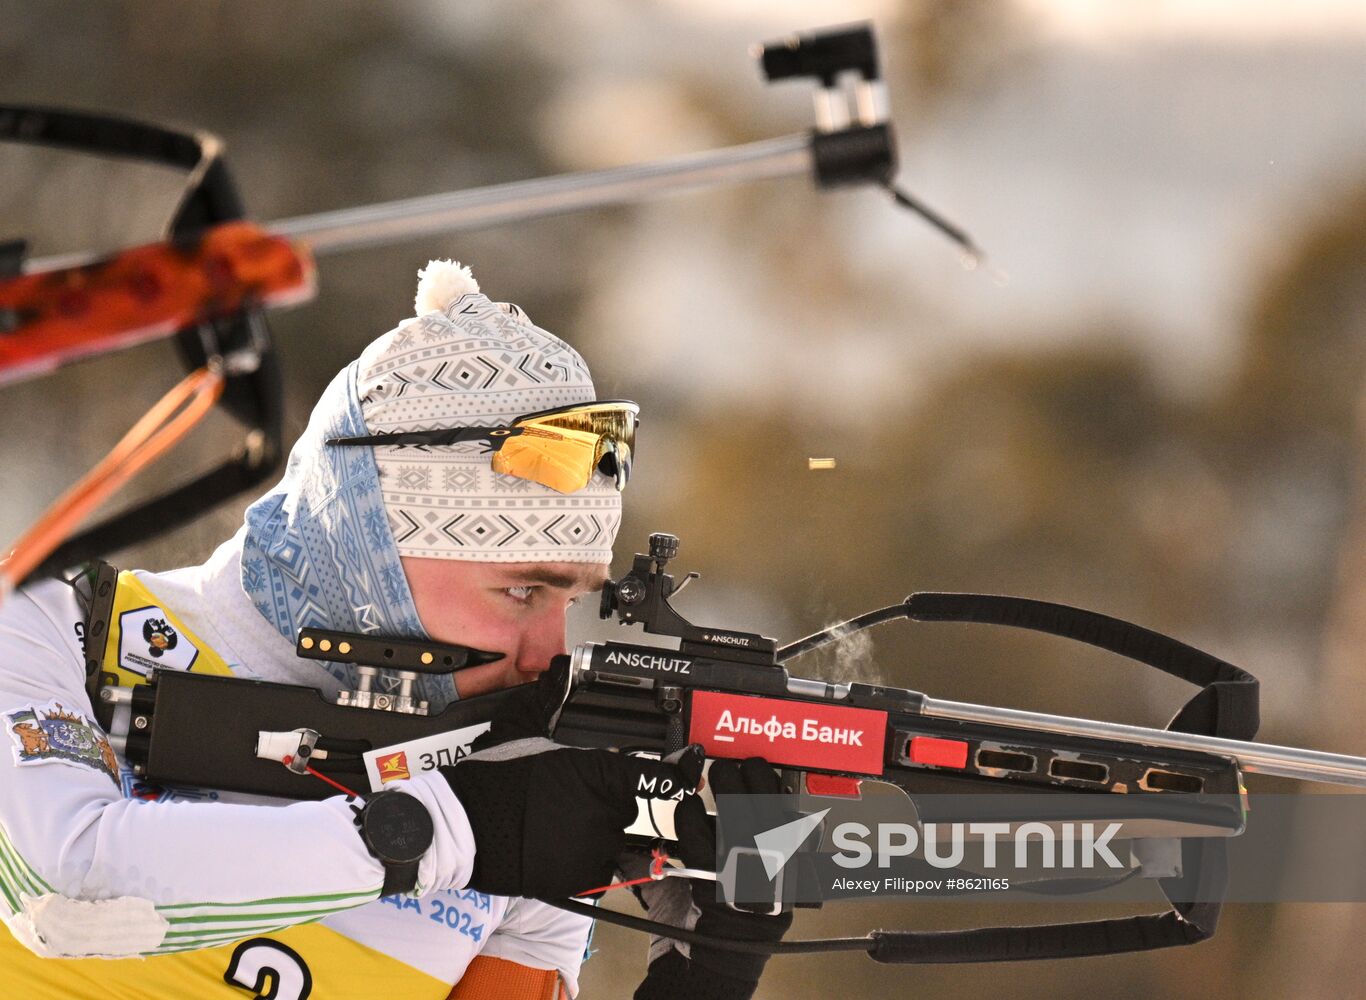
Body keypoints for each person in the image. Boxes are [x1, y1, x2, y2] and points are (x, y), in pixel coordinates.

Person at [0, 262, 788, 998]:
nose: (548, 655)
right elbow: (59, 893)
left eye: (571, 601)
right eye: (520, 590)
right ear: (364, 544)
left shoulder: (516, 789)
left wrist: (695, 985)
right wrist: (450, 827)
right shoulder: (41, 624)